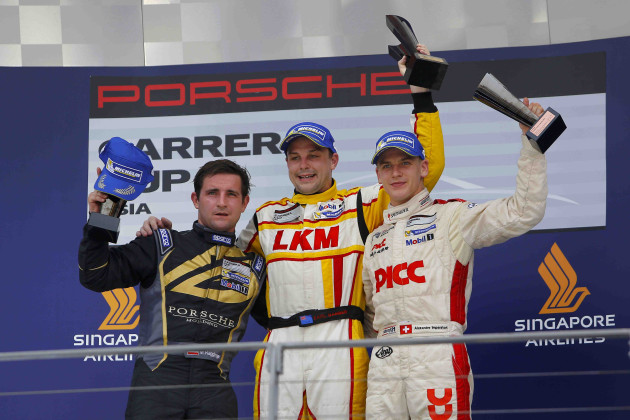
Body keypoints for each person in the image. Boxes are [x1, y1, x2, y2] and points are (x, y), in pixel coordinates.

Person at [139, 44, 445, 419]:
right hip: (280, 341)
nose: (304, 165)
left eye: (314, 155)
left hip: (340, 336)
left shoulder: (362, 203)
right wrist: (163, 233)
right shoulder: (266, 216)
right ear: (286, 163)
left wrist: (421, 96)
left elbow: (423, 172)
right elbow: (219, 255)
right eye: (295, 157)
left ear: (333, 160)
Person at [361, 98, 548, 419]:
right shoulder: (374, 237)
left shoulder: (453, 216)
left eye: (405, 162)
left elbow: (523, 211)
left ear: (423, 167)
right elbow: (369, 312)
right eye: (386, 166)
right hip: (384, 361)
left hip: (436, 353)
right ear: (378, 175)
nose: (396, 172)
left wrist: (532, 145)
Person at [79, 157, 268, 420]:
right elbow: (95, 275)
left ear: (245, 202)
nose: (222, 202)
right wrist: (104, 215)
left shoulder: (256, 267)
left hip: (214, 389)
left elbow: (285, 320)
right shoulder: (160, 244)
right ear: (195, 199)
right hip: (157, 383)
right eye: (212, 193)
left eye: (231, 194)